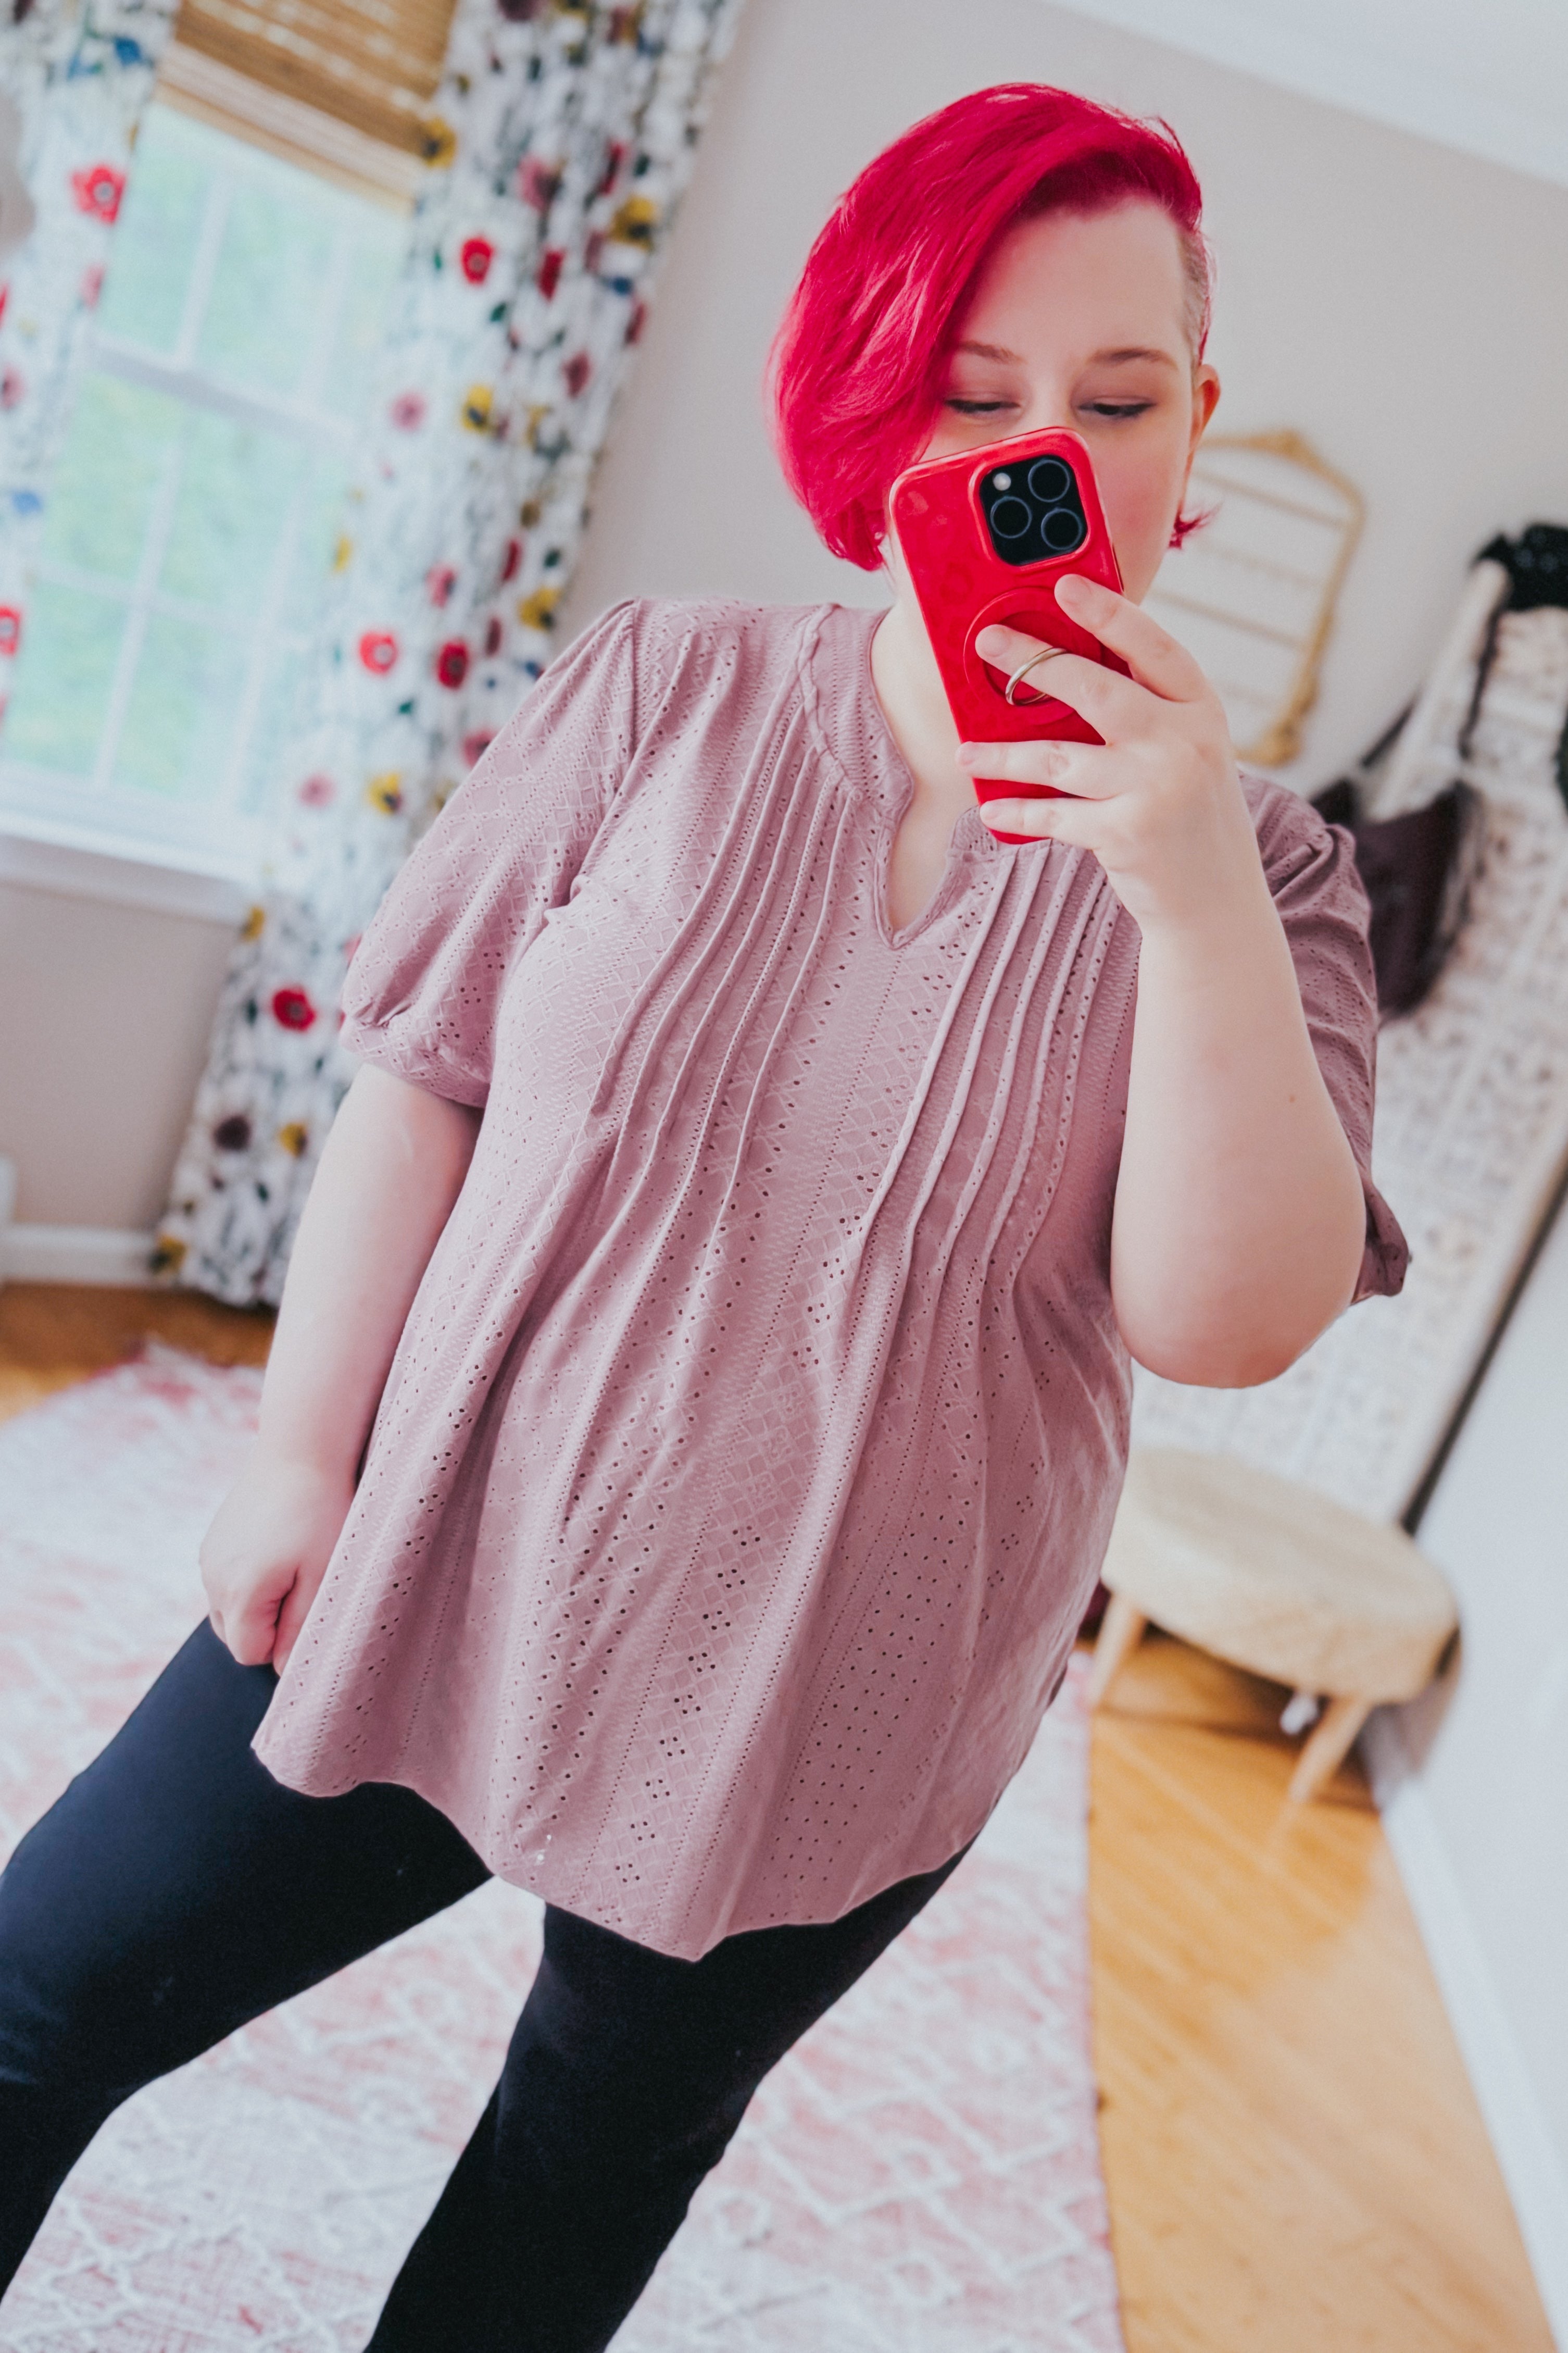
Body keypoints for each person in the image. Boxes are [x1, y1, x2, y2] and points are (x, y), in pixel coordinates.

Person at [0, 81, 1405, 2351]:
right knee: (36, 1990)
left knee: (565, 2196)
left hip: (842, 1695)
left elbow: (1223, 1318)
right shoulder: (662, 686)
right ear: (878, 399)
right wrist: (298, 1449)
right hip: (440, 1547)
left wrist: (1188, 881)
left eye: (1116, 396)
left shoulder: (1286, 880)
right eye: (974, 389)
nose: (1043, 445)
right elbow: (426, 1072)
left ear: (1193, 428)